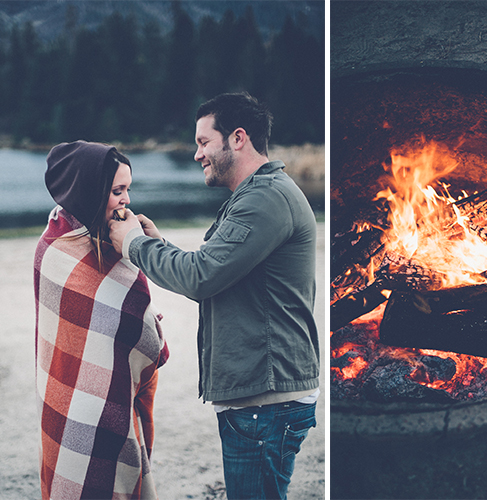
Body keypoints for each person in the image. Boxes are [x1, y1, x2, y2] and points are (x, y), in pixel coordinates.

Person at [108, 92, 320, 499]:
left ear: (237, 138)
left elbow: (201, 277)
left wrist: (134, 243)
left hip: (266, 399)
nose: (196, 154)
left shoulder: (264, 199)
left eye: (204, 142)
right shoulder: (255, 196)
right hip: (262, 397)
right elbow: (218, 278)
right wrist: (158, 245)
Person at [34, 141, 169, 500]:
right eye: (117, 191)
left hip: (113, 399)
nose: (126, 199)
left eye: (128, 189)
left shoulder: (113, 249)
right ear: (90, 192)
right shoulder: (54, 250)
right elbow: (151, 343)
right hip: (66, 397)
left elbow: (134, 320)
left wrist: (142, 246)